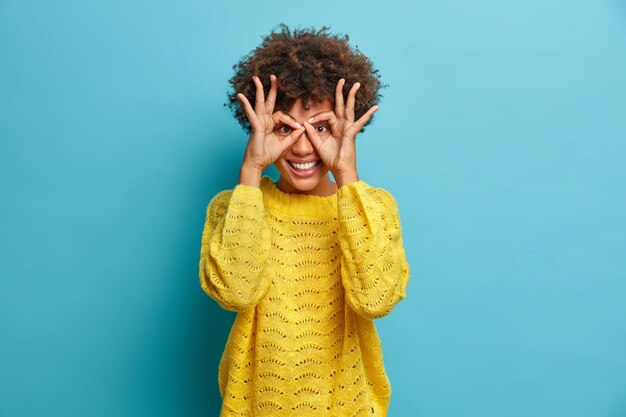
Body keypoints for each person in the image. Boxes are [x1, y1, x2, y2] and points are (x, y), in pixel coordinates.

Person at [199, 24, 411, 417]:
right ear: (257, 127)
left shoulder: (372, 207)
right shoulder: (235, 206)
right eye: (284, 127)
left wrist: (347, 175)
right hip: (255, 405)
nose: (301, 145)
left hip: (345, 405)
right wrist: (250, 172)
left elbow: (376, 298)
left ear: (349, 127)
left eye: (321, 128)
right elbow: (235, 293)